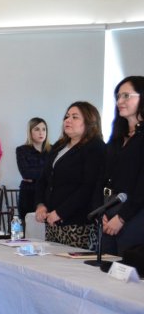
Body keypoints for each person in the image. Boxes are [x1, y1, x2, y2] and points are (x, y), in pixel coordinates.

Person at [35, 102, 105, 250]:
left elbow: (88, 187)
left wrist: (61, 212)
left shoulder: (95, 147)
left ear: (89, 121)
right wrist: (41, 205)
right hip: (52, 220)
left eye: (75, 117)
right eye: (67, 116)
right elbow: (44, 179)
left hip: (77, 222)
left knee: (71, 263)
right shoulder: (59, 145)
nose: (68, 120)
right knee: (51, 261)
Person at [101, 76, 144, 255]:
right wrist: (102, 211)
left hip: (135, 214)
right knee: (106, 265)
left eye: (126, 96)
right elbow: (104, 176)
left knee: (128, 265)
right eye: (118, 96)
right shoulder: (117, 137)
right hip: (110, 210)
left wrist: (122, 217)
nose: (119, 101)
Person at [15, 117, 51, 220]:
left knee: (47, 225)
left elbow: (56, 172)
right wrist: (47, 173)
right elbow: (26, 173)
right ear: (30, 132)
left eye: (44, 129)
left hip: (47, 194)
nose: (41, 133)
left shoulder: (53, 150)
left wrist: (35, 174)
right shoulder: (22, 150)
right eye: (37, 129)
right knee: (28, 225)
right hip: (28, 193)